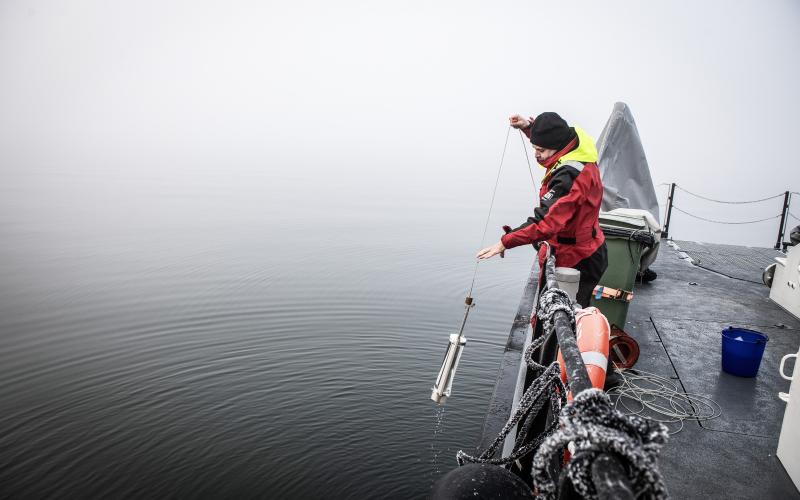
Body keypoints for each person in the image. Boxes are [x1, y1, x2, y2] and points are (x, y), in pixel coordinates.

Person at [476, 112, 608, 308]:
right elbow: (550, 135)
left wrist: (505, 242)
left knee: (566, 314)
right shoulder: (576, 143)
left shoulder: (569, 176)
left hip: (578, 258)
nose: (536, 154)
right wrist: (527, 127)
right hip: (581, 247)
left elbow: (545, 223)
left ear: (558, 147)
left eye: (541, 150)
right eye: (534, 147)